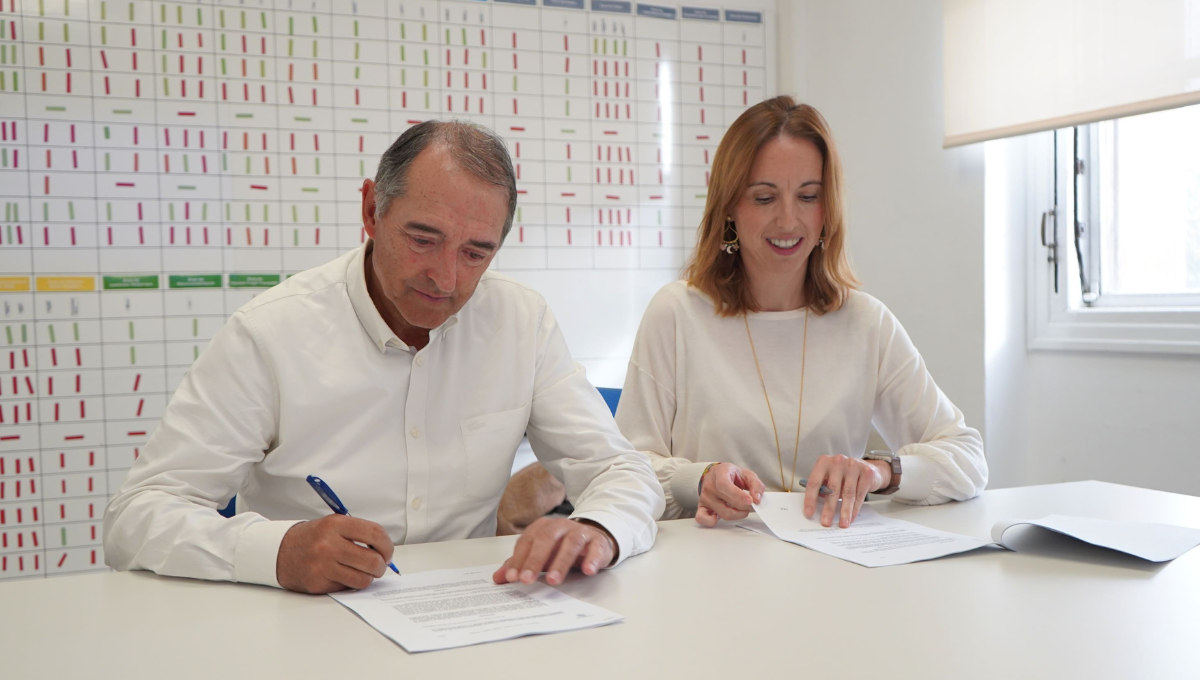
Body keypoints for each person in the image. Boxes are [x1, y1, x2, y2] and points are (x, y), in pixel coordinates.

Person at [103, 120, 665, 593]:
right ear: (373, 210)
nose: (446, 279)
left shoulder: (521, 322)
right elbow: (135, 517)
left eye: (475, 253)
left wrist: (598, 527)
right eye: (423, 239)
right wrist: (276, 550)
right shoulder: (271, 333)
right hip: (304, 627)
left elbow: (622, 470)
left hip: (470, 617)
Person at [616, 96, 987, 530]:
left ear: (828, 209)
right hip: (714, 565)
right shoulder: (676, 313)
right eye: (764, 197)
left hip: (833, 565)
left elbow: (968, 459)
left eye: (808, 196)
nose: (788, 220)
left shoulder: (865, 322)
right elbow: (624, 470)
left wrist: (879, 472)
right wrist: (696, 480)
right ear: (730, 207)